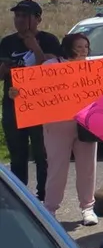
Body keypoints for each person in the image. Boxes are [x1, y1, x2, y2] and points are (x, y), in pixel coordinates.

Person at [9, 33, 97, 224]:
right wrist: (17, 93)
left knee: (87, 168)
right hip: (56, 126)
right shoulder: (51, 66)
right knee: (57, 168)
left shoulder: (93, 68)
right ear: (67, 47)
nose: (83, 50)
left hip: (85, 125)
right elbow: (33, 90)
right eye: (79, 46)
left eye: (86, 46)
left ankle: (88, 208)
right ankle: (50, 208)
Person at [0, 0, 61, 200]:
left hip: (41, 105)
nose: (19, 19)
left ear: (38, 19)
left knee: (42, 153)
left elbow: (52, 71)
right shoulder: (7, 42)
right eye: (17, 15)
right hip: (13, 104)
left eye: (25, 16)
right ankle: (21, 197)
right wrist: (7, 68)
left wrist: (35, 47)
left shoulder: (49, 40)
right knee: (17, 154)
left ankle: (44, 197)